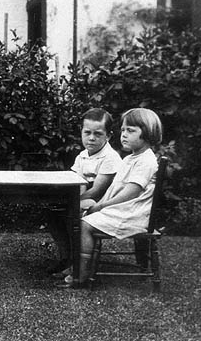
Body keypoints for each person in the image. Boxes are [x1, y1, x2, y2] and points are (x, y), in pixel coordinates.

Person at [63, 108, 163, 288]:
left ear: (147, 134)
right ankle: (77, 264)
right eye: (123, 130)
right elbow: (116, 189)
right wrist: (100, 205)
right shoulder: (131, 158)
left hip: (133, 213)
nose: (124, 135)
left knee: (85, 225)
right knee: (80, 217)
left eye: (131, 131)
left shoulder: (146, 161)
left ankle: (82, 274)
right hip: (124, 208)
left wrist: (102, 206)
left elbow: (131, 191)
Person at [46, 108, 122, 276]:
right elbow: (77, 183)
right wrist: (70, 197)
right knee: (52, 212)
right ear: (81, 132)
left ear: (108, 136)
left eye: (98, 134)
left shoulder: (110, 157)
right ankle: (67, 257)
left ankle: (78, 263)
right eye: (87, 132)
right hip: (85, 200)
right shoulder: (82, 156)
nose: (91, 138)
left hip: (104, 204)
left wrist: (72, 200)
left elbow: (97, 191)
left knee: (70, 213)